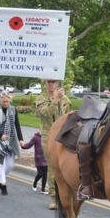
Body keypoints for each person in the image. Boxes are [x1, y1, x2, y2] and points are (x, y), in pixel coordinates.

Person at [35, 78, 72, 209]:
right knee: (52, 166)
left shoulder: (66, 100)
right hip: (48, 135)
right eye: (49, 82)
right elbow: (44, 113)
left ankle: (67, 195)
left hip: (63, 136)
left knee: (66, 165)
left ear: (57, 83)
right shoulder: (41, 98)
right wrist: (55, 100)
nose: (51, 84)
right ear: (45, 83)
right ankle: (54, 197)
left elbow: (69, 117)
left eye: (54, 82)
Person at [0, 91, 24, 195]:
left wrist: (21, 139)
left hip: (11, 140)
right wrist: (0, 135)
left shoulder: (13, 109)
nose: (6, 104)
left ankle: (1, 176)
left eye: (7, 102)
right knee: (1, 162)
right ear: (0, 100)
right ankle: (3, 184)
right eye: (4, 101)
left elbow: (17, 125)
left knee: (10, 164)